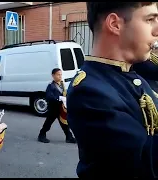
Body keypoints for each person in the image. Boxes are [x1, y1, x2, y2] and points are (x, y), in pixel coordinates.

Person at [66, 2, 158, 178]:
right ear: (115, 24)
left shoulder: (133, 67)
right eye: (150, 19)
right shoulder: (89, 91)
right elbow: (145, 160)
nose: (157, 30)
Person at [37, 68, 76, 144]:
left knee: (64, 124)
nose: (60, 76)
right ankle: (41, 135)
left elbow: (65, 93)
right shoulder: (50, 86)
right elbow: (49, 97)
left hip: (61, 108)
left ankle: (69, 137)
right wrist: (59, 98)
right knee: (48, 123)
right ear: (53, 75)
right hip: (53, 108)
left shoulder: (62, 84)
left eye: (61, 74)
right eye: (58, 74)